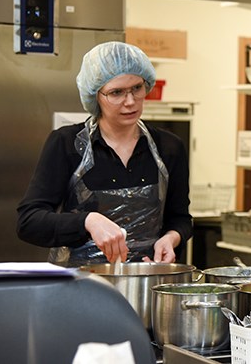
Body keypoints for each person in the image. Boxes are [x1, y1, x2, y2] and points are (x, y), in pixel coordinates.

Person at [17, 41, 192, 267]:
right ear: (95, 95)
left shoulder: (169, 147)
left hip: (148, 283)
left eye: (137, 88)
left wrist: (171, 238)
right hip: (83, 286)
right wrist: (87, 221)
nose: (130, 102)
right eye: (116, 92)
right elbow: (29, 222)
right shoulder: (67, 144)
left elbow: (180, 218)